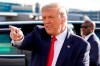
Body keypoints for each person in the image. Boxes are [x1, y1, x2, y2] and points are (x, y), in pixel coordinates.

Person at [9, 3, 90, 66]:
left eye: (51, 17)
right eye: (44, 18)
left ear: (63, 19)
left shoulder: (81, 45)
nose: (46, 21)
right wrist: (18, 38)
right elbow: (23, 43)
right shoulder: (39, 33)